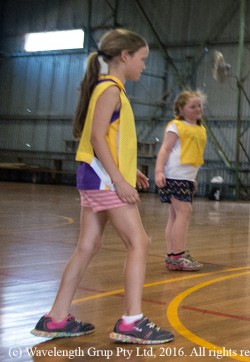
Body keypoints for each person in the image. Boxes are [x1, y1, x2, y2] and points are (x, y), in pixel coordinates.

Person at [30, 29, 173, 344]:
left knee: (87, 246)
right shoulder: (110, 90)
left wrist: (128, 168)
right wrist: (119, 179)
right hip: (104, 180)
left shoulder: (107, 88)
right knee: (139, 242)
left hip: (95, 176)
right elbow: (96, 137)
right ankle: (131, 321)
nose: (144, 66)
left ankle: (56, 318)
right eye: (142, 59)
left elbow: (108, 138)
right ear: (125, 56)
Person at [155, 90, 207, 271]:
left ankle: (172, 256)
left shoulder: (200, 128)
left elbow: (194, 156)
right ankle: (178, 255)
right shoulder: (175, 126)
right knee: (184, 213)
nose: (197, 109)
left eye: (199, 105)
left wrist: (193, 178)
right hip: (174, 176)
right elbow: (165, 149)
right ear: (181, 109)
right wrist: (159, 171)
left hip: (185, 177)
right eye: (192, 106)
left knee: (175, 215)